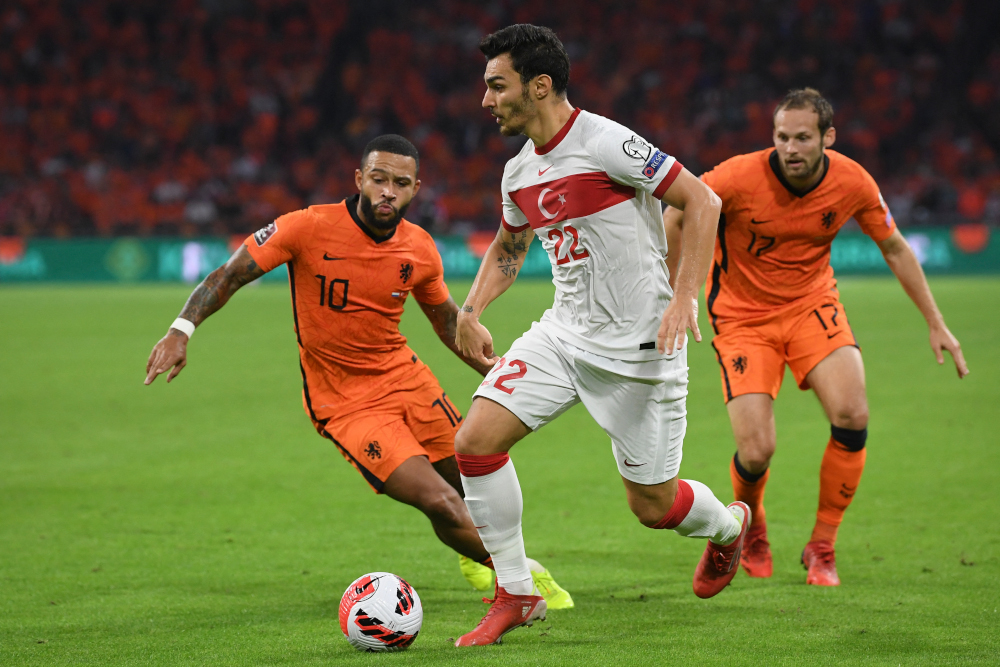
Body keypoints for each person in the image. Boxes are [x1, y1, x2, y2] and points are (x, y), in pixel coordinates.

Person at [144, 134, 572, 610]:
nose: (389, 190)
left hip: (408, 382)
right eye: (379, 179)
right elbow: (229, 274)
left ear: (415, 189)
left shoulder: (419, 248)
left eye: (401, 183)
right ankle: (520, 581)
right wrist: (181, 329)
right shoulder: (306, 227)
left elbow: (446, 321)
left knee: (473, 479)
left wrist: (491, 370)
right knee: (440, 502)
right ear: (359, 179)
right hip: (345, 403)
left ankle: (476, 558)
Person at [451, 25, 751, 648]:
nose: (486, 100)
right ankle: (517, 592)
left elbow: (704, 201)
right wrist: (471, 307)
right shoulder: (516, 172)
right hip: (563, 336)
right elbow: (510, 247)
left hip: (641, 350)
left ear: (539, 86)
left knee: (653, 506)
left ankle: (727, 528)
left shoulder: (605, 141)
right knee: (475, 443)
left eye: (496, 85)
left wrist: (683, 296)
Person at [663, 88, 969, 586]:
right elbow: (677, 210)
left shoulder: (852, 181)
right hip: (743, 316)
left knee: (853, 414)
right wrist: (679, 292)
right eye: (782, 137)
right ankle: (752, 530)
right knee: (757, 450)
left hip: (812, 306)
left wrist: (936, 321)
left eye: (803, 137)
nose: (791, 148)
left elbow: (893, 246)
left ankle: (822, 546)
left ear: (828, 137)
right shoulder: (736, 176)